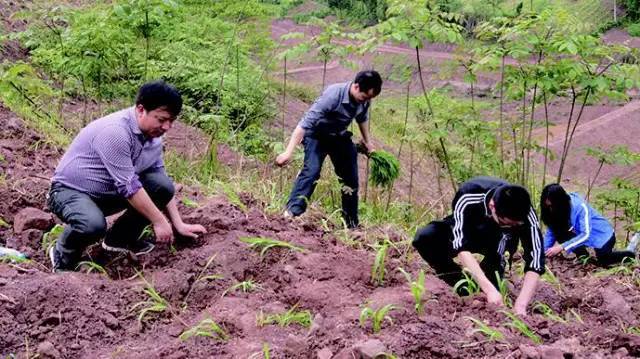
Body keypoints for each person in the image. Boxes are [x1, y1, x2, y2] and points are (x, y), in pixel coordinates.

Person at [47, 80, 207, 272]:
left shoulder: (153, 136)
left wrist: (178, 223)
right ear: (141, 110)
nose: (166, 127)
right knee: (92, 225)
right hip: (69, 193)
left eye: (171, 121)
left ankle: (118, 242)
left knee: (161, 185)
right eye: (161, 119)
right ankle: (62, 253)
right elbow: (129, 188)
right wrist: (159, 221)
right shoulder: (116, 132)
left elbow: (160, 179)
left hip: (108, 192)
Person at [413, 176, 544, 316]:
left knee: (494, 289)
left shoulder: (526, 213)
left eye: (514, 225)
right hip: (469, 230)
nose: (509, 226)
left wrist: (521, 305)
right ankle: (461, 282)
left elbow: (536, 260)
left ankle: (494, 274)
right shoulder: (469, 194)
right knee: (425, 237)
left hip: (497, 240)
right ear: (492, 206)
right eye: (505, 222)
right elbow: (460, 246)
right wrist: (489, 290)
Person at [275, 70, 382, 228]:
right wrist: (288, 152)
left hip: (338, 136)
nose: (365, 101)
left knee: (350, 180)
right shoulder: (333, 96)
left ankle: (351, 224)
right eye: (365, 97)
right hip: (316, 135)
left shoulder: (364, 101)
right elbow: (304, 124)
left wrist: (368, 143)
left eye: (369, 99)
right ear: (357, 86)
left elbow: (362, 118)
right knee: (312, 171)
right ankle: (292, 213)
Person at [540, 183, 637, 265]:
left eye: (552, 205)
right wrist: (544, 251)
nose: (550, 208)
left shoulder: (580, 207)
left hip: (603, 235)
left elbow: (586, 234)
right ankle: (583, 257)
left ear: (559, 201)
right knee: (560, 232)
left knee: (604, 260)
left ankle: (629, 254)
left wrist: (561, 247)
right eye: (548, 205)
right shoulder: (555, 209)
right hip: (581, 235)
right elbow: (552, 230)